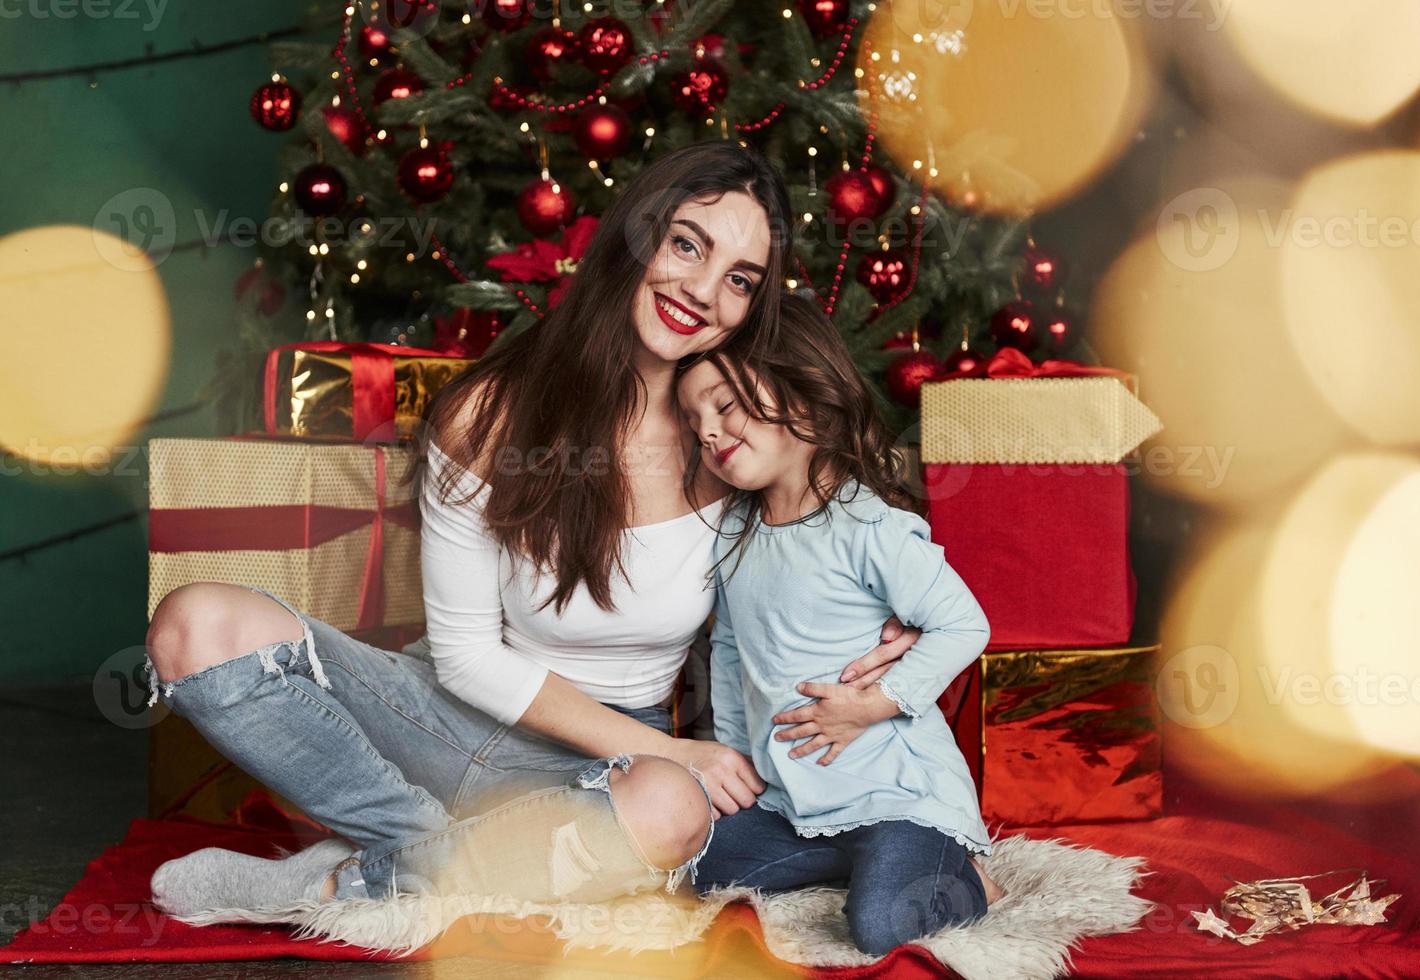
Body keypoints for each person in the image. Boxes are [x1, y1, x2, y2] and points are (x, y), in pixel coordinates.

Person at [144, 141, 920, 917]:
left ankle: (347, 880)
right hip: (441, 722)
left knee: (671, 812)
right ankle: (423, 858)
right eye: (687, 244)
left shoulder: (729, 432)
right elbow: (466, 658)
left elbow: (845, 528)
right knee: (194, 625)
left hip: (610, 762)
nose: (703, 291)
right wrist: (674, 750)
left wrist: (896, 613)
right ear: (637, 235)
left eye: (739, 281)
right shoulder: (487, 414)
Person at [674, 292, 1004, 956]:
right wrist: (742, 765)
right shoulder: (735, 531)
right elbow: (732, 651)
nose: (707, 431)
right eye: (693, 419)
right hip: (796, 806)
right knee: (693, 866)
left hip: (896, 797)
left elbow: (963, 626)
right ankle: (850, 862)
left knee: (881, 924)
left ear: (799, 398)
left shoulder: (867, 525)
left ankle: (963, 876)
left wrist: (871, 705)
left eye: (725, 407)